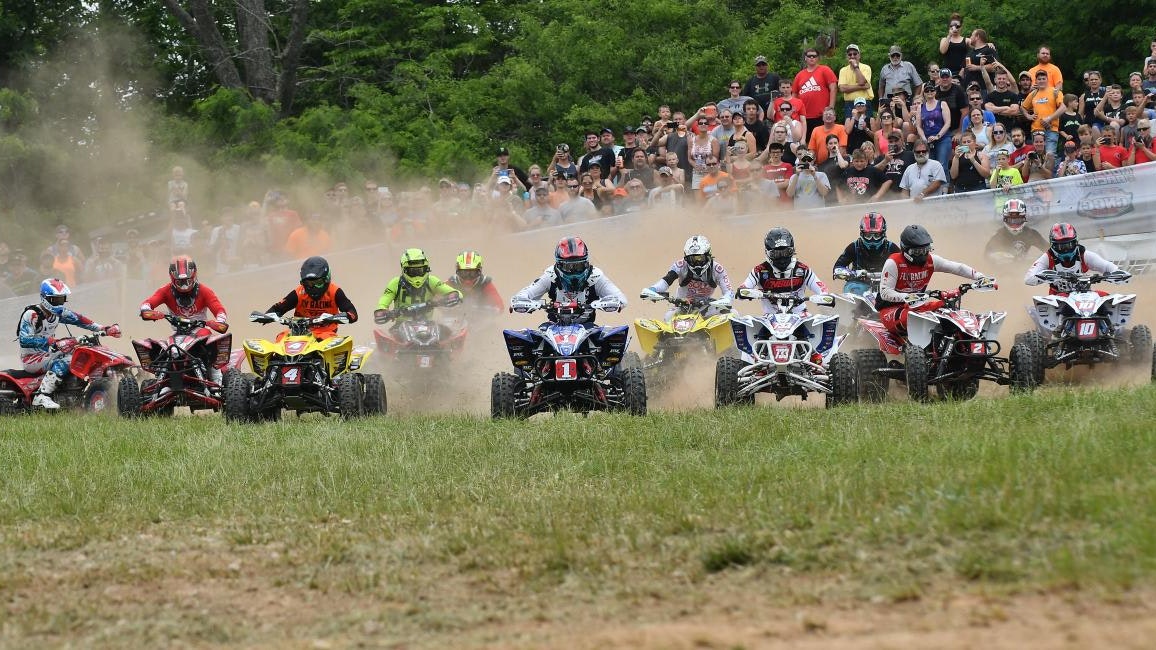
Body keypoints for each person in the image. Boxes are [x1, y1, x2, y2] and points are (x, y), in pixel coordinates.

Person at [18, 279, 120, 409]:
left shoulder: (58, 313)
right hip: (32, 358)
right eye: (55, 300)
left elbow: (80, 320)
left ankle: (81, 389)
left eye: (61, 299)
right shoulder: (31, 314)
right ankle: (42, 395)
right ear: (45, 298)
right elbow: (24, 340)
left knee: (81, 352)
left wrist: (103, 329)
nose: (59, 303)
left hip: (48, 353)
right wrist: (52, 341)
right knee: (68, 360)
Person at [876, 225, 992, 339]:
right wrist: (909, 297)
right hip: (891, 309)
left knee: (949, 311)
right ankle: (921, 349)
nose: (922, 255)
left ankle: (962, 343)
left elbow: (957, 268)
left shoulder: (931, 260)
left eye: (925, 250)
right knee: (914, 318)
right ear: (905, 249)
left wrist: (980, 277)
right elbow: (885, 292)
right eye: (917, 252)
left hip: (916, 306)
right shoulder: (893, 263)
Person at [139, 255, 230, 383]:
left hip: (200, 331)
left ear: (194, 276)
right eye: (180, 282)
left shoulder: (205, 291)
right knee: (165, 350)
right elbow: (147, 303)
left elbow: (219, 309)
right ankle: (162, 385)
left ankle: (217, 383)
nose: (184, 285)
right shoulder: (165, 291)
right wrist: (148, 311)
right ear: (172, 278)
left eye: (187, 281)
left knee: (211, 347)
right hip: (179, 333)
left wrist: (220, 321)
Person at [510, 236, 627, 326]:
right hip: (553, 328)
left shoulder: (596, 276)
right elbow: (526, 293)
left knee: (609, 338)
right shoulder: (550, 275)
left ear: (586, 263)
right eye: (569, 267)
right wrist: (520, 302)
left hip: (588, 329)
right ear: (559, 265)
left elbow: (621, 298)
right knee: (530, 340)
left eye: (579, 266)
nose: (574, 271)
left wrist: (612, 303)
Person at [263, 256, 358, 341]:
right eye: (308, 283)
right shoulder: (298, 293)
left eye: (318, 283)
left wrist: (337, 318)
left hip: (326, 334)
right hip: (298, 334)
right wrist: (266, 316)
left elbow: (353, 314)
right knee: (281, 338)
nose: (313, 287)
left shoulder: (335, 292)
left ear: (327, 279)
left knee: (334, 341)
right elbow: (278, 308)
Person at [738, 228, 828, 316]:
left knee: (818, 326)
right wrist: (743, 291)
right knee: (750, 327)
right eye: (776, 254)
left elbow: (822, 289)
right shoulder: (759, 270)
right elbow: (742, 289)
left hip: (801, 316)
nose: (782, 258)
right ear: (768, 252)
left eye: (786, 252)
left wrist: (823, 296)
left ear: (792, 250)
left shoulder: (803, 269)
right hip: (770, 318)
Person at [640, 235, 734, 318]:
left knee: (733, 314)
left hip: (707, 307)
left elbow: (729, 292)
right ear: (686, 257)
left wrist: (724, 300)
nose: (696, 262)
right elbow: (666, 281)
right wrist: (653, 289)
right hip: (682, 306)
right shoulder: (680, 265)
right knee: (668, 317)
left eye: (699, 258)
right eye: (692, 258)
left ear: (708, 255)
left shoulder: (717, 269)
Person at [1024, 223, 1127, 296]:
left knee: (1108, 299)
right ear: (1053, 245)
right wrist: (1046, 276)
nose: (1066, 249)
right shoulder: (1047, 258)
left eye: (1069, 245)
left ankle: (1113, 327)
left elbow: (1107, 266)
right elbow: (1028, 279)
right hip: (1058, 298)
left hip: (1085, 296)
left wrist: (1116, 273)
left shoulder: (1084, 255)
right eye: (1061, 246)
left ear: (1075, 242)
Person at [374, 249, 460, 325]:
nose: (417, 275)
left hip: (428, 325)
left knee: (448, 333)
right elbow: (383, 303)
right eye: (413, 271)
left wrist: (449, 298)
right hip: (400, 326)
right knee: (386, 339)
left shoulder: (432, 281)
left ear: (427, 269)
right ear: (404, 270)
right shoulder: (395, 283)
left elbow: (455, 293)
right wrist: (383, 312)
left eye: (420, 270)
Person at [832, 212, 900, 295]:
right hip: (859, 283)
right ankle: (852, 307)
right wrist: (853, 273)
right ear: (862, 233)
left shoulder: (892, 247)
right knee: (852, 290)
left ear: (883, 233)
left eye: (876, 235)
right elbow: (837, 267)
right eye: (868, 235)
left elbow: (904, 265)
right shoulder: (854, 247)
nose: (872, 240)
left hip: (886, 284)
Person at [985, 199, 1048, 264]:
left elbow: (1049, 250)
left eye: (1018, 220)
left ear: (1024, 218)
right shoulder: (998, 236)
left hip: (1027, 270)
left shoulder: (1031, 234)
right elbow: (987, 257)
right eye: (1011, 220)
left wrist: (1040, 258)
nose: (1014, 224)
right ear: (1004, 219)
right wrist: (998, 258)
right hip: (1004, 271)